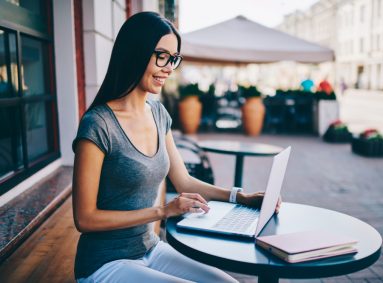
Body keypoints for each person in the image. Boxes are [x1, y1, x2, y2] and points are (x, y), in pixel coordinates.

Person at [72, 12, 281, 283]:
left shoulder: (158, 114)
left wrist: (241, 197)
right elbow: (85, 219)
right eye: (162, 56)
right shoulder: (97, 124)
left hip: (149, 248)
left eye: (173, 59)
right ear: (136, 52)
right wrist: (163, 211)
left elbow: (183, 180)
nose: (169, 67)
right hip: (104, 263)